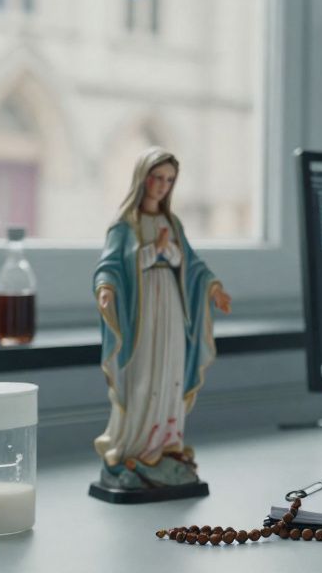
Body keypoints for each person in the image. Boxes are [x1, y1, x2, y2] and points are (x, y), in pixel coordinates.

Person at [92, 147, 232, 491]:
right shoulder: (126, 225)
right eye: (157, 178)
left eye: (169, 180)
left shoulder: (172, 222)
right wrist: (106, 289)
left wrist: (213, 287)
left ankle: (166, 445)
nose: (162, 186)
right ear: (143, 178)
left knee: (169, 371)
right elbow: (109, 265)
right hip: (142, 314)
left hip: (169, 305)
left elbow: (192, 264)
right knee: (144, 377)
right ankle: (135, 446)